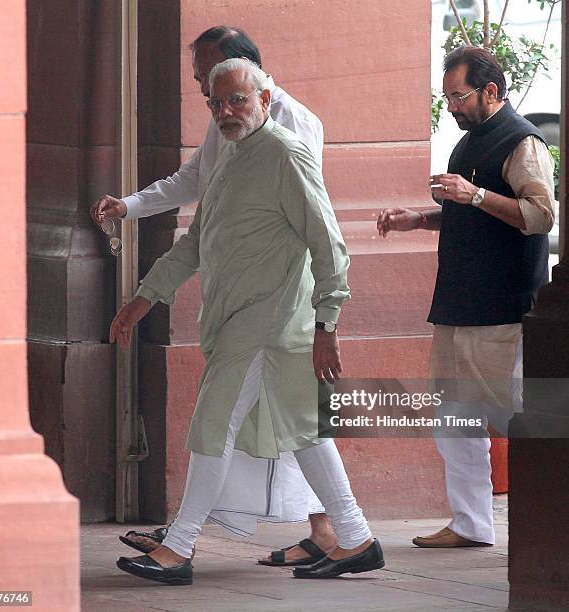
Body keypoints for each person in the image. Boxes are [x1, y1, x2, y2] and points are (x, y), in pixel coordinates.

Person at [113, 59, 385, 584]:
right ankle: (356, 539)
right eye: (216, 103)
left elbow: (329, 243)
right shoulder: (232, 155)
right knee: (307, 433)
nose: (225, 112)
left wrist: (328, 325)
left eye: (237, 100)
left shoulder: (285, 152)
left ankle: (179, 547)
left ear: (264, 99)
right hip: (246, 319)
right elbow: (198, 241)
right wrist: (143, 299)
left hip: (269, 321)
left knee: (213, 424)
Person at [91, 26, 333, 566]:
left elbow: (316, 229)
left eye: (207, 74)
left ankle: (182, 542)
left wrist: (325, 319)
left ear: (249, 78)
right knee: (290, 429)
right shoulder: (227, 116)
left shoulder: (289, 127)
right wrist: (130, 208)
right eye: (205, 86)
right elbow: (200, 194)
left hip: (274, 305)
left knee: (231, 426)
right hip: (234, 299)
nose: (204, 88)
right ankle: (340, 534)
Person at [378, 46, 555, 548]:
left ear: (491, 92)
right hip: (459, 304)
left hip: (503, 308)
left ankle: (546, 527)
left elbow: (540, 216)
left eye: (458, 96)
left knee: (518, 414)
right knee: (452, 418)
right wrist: (422, 217)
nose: (451, 106)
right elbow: (471, 212)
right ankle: (471, 525)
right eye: (447, 97)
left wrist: (473, 195)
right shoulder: (470, 140)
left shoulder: (524, 142)